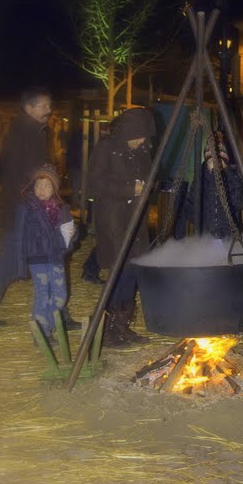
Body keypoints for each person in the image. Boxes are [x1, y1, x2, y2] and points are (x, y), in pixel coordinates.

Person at [0, 88, 80, 330]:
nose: (48, 110)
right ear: (29, 107)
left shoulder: (31, 132)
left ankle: (59, 315)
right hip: (24, 213)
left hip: (28, 209)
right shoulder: (24, 135)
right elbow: (23, 176)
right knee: (11, 263)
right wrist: (35, 203)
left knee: (51, 259)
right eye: (43, 105)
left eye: (49, 105)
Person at [87, 107, 156, 348]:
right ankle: (107, 330)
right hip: (114, 220)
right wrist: (129, 189)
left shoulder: (142, 151)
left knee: (131, 271)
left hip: (135, 220)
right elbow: (94, 184)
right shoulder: (106, 148)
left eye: (145, 136)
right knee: (120, 271)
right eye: (139, 135)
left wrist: (148, 187)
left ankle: (121, 326)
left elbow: (149, 177)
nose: (142, 140)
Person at [14, 164, 75, 338]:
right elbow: (19, 238)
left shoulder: (62, 209)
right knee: (42, 295)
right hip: (37, 258)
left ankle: (45, 326)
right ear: (33, 187)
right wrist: (20, 267)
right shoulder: (27, 208)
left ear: (54, 189)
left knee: (60, 296)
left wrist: (71, 238)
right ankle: (42, 335)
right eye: (38, 185)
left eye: (47, 186)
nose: (42, 189)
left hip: (55, 257)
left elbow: (68, 237)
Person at [186, 133, 243, 238]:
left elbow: (239, 202)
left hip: (228, 235)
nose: (214, 164)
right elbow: (191, 209)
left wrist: (229, 174)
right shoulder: (200, 178)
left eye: (218, 161)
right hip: (206, 235)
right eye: (210, 161)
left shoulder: (233, 176)